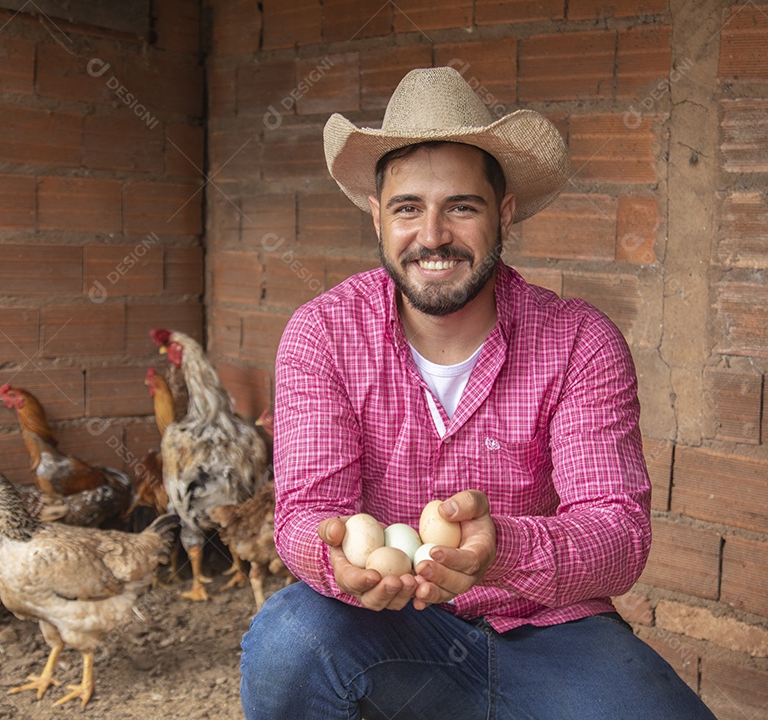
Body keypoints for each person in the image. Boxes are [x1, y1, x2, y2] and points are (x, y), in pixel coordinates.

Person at [240, 67, 716, 720]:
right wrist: (334, 560)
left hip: (549, 630)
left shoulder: (580, 341)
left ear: (505, 214)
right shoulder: (323, 334)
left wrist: (502, 551)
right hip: (391, 628)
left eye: (461, 207)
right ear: (378, 215)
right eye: (408, 208)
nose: (433, 235)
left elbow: (618, 536)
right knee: (290, 639)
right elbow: (305, 514)